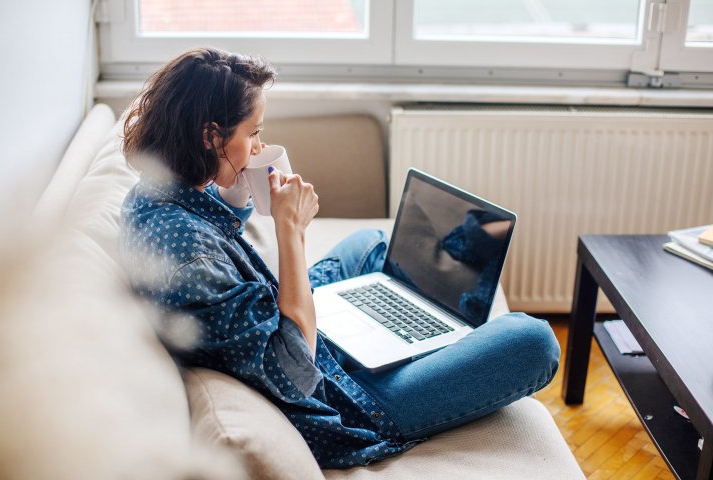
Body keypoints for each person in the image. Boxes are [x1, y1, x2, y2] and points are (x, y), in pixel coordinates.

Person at [120, 47, 560, 469]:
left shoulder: (158, 193)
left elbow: (220, 242)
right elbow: (296, 371)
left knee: (370, 242)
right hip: (345, 399)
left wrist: (238, 185)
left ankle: (419, 326)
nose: (259, 146)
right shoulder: (189, 257)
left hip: (296, 332)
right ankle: (435, 335)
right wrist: (290, 231)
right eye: (252, 133)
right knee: (534, 340)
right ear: (210, 135)